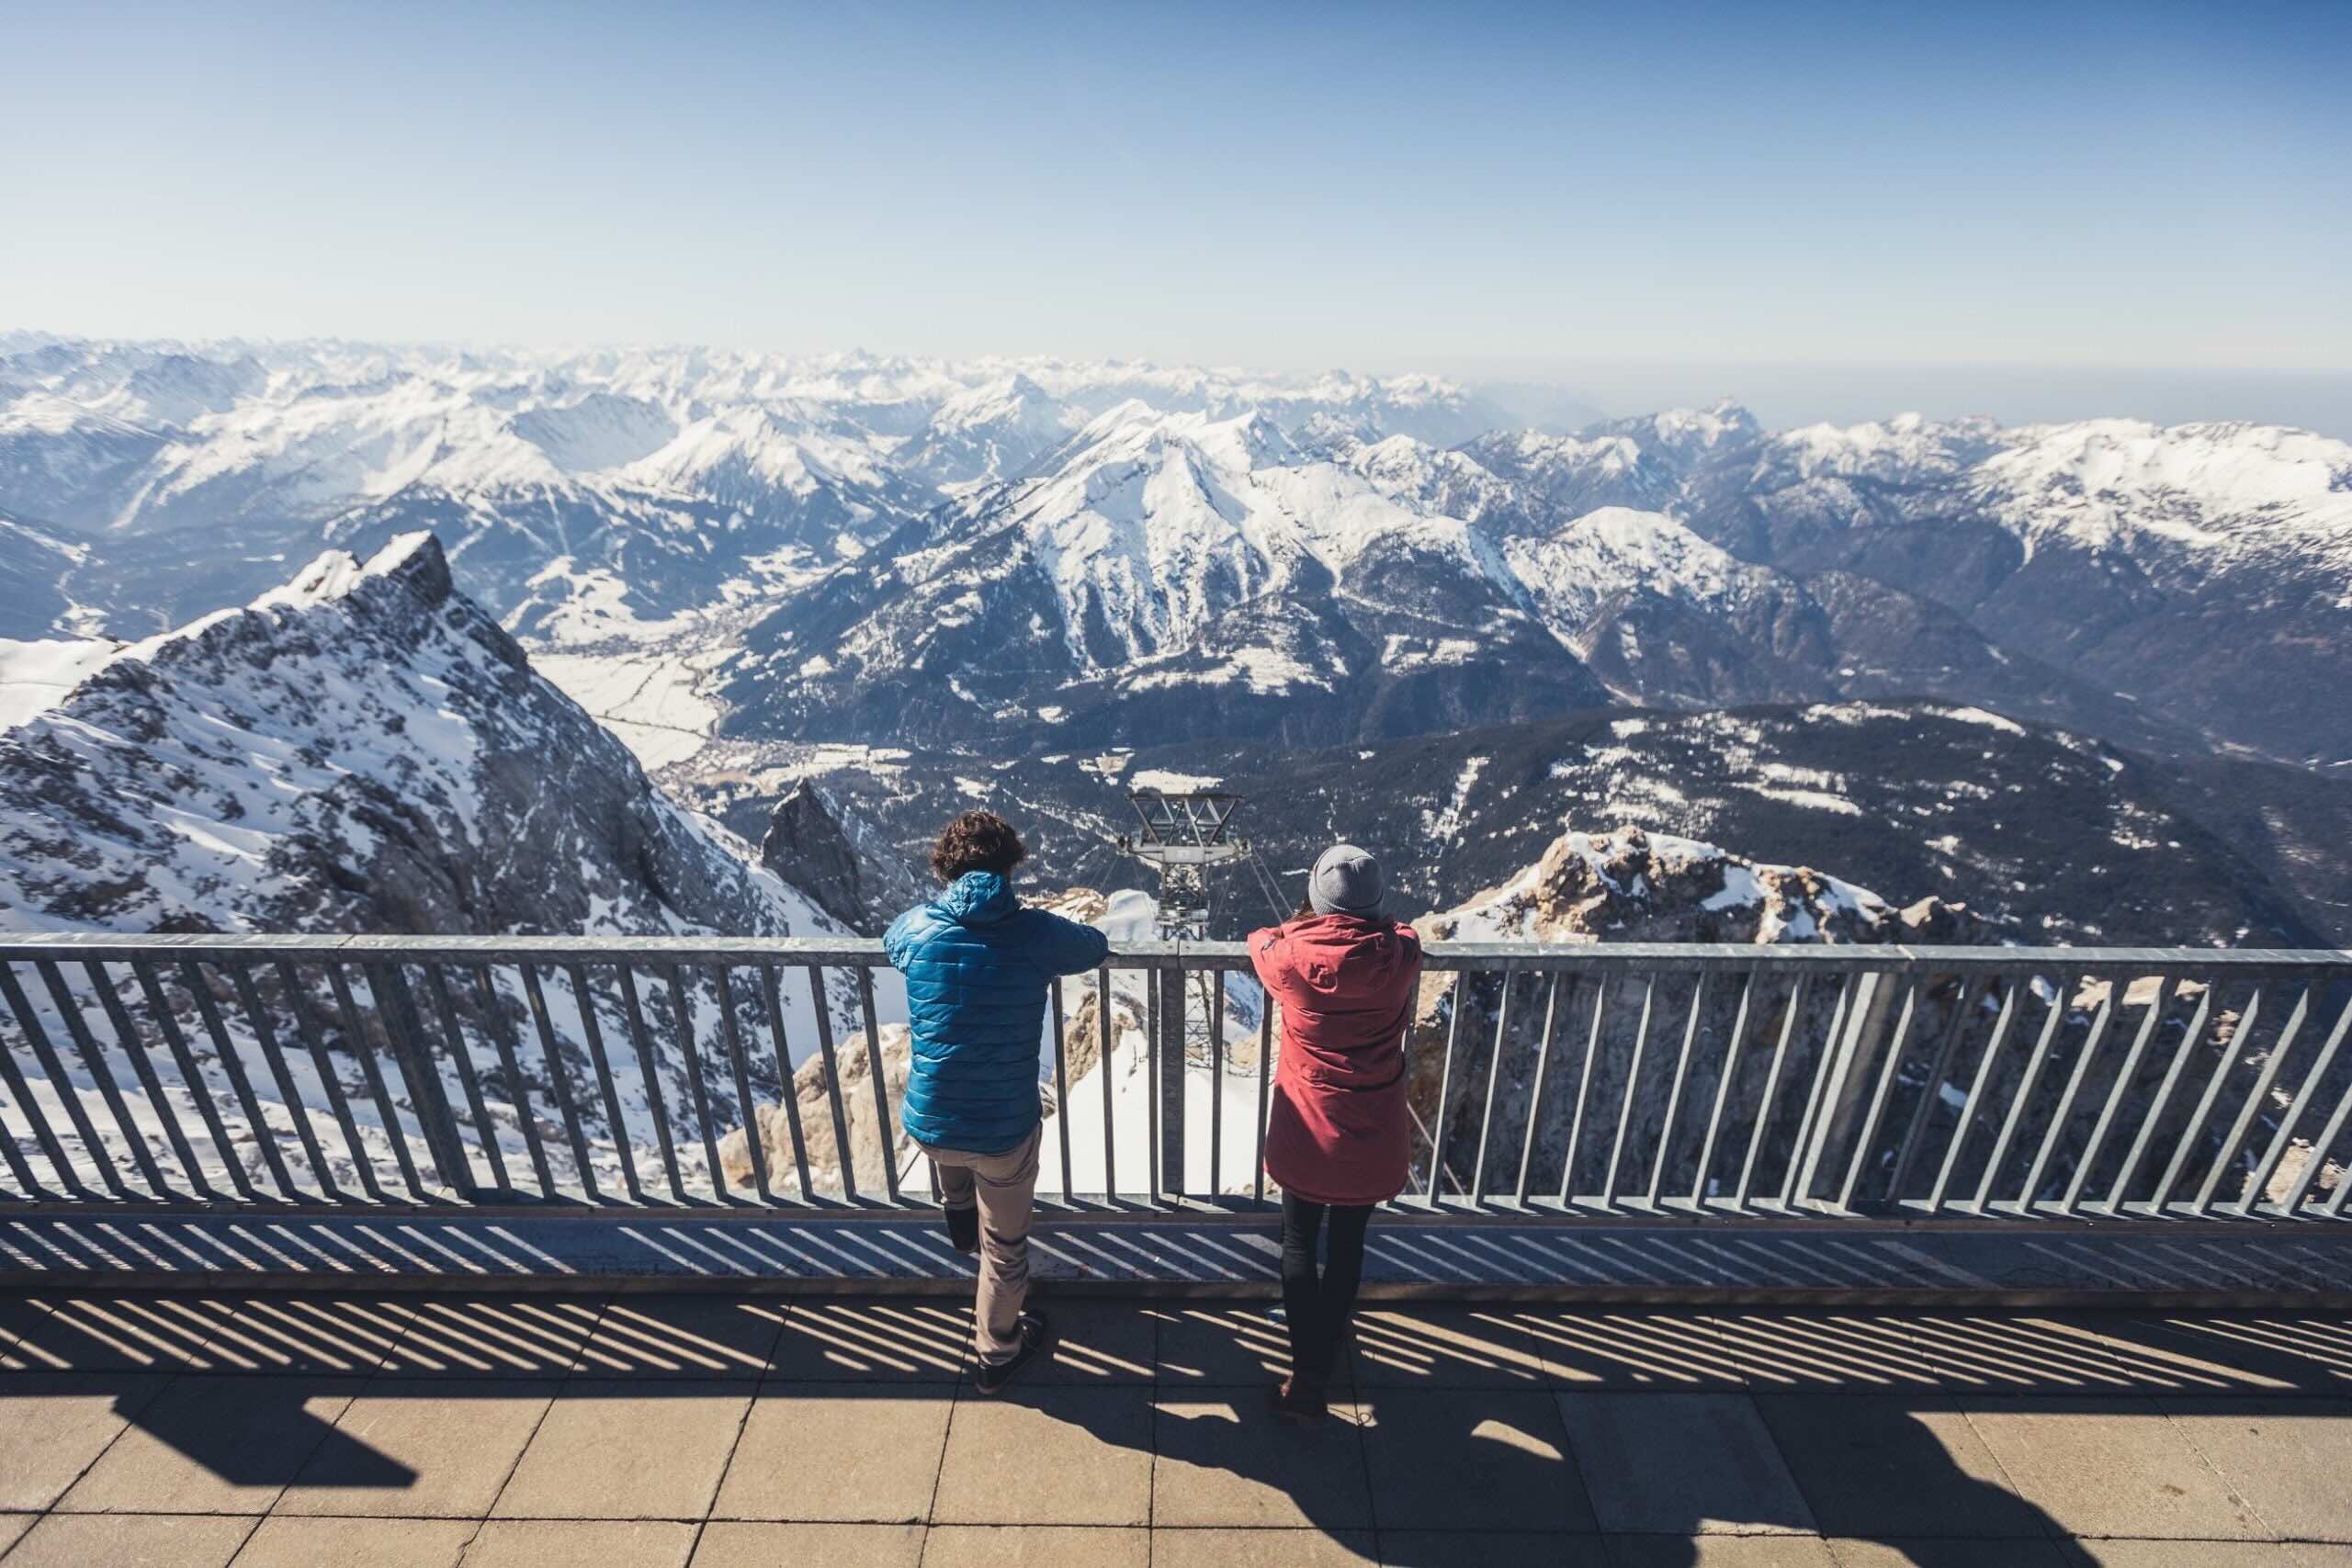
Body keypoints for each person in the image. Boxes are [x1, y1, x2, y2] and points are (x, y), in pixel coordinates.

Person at [886, 808, 1110, 1394]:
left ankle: (958, 1219)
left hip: (930, 1118)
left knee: (950, 1154)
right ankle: (997, 1353)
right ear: (1011, 863)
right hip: (1004, 1126)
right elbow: (1095, 945)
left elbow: (891, 941)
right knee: (1006, 1252)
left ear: (946, 867)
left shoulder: (917, 926)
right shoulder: (1034, 932)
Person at [1248, 841, 1423, 1424]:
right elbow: (1406, 931)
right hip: (1372, 1126)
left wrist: (1298, 926)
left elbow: (1259, 939)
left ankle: (1307, 1375)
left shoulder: (1289, 959)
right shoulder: (1400, 955)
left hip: (1307, 1123)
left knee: (1298, 1242)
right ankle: (1326, 1345)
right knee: (1348, 1246)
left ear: (1317, 901)